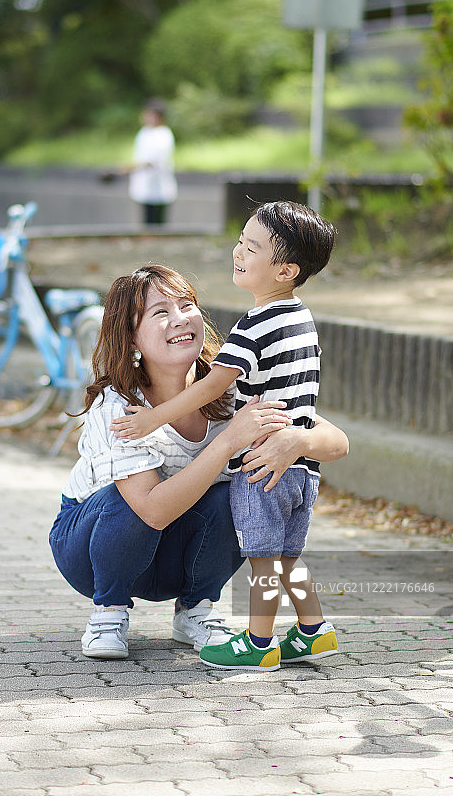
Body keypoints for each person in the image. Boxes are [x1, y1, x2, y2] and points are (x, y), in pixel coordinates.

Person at [49, 264, 349, 661]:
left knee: (242, 492)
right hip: (90, 547)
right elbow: (151, 510)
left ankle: (197, 609)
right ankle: (108, 612)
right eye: (160, 312)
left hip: (171, 553)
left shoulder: (233, 387)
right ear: (132, 337)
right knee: (127, 496)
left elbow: (336, 442)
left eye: (186, 305)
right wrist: (228, 442)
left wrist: (296, 440)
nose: (180, 319)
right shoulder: (119, 405)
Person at [111, 202, 340, 671]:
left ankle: (258, 643)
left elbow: (212, 385)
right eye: (240, 240)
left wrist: (152, 419)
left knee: (262, 559)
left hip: (261, 463)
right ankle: (314, 631)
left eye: (250, 248)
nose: (237, 252)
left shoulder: (255, 324)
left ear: (285, 269)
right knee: (287, 555)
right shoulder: (301, 318)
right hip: (301, 467)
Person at [128, 99, 177, 226]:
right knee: (146, 222)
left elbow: (151, 161)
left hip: (159, 189)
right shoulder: (144, 132)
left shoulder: (163, 135)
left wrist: (125, 169)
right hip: (145, 188)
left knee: (157, 225)